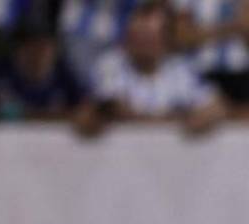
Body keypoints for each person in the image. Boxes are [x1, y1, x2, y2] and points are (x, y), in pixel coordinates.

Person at [73, 0, 226, 136]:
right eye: (136, 35)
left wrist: (202, 116)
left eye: (149, 37)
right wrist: (175, 119)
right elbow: (114, 109)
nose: (141, 43)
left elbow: (215, 107)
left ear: (166, 41)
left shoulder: (181, 69)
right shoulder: (109, 65)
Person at [0, 18, 85, 121]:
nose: (36, 53)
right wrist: (56, 116)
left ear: (55, 49)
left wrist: (28, 115)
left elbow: (85, 112)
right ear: (17, 49)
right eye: (29, 45)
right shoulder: (0, 74)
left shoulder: (66, 75)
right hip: (8, 137)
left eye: (43, 46)